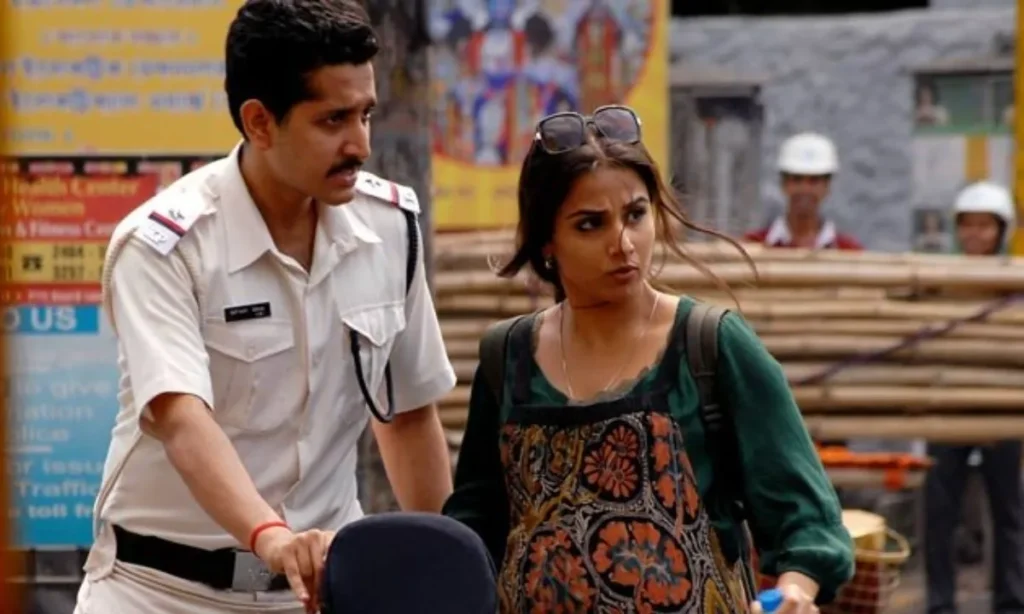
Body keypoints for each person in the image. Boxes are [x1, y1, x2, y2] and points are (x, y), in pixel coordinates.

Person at [74, 1, 456, 612]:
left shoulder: (390, 228)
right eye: (332, 120)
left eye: (365, 114)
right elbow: (181, 419)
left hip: (318, 594)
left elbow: (407, 414)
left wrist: (446, 570)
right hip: (158, 591)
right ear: (259, 122)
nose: (360, 144)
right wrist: (271, 537)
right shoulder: (166, 247)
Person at [443, 105, 855, 612]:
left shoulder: (708, 345)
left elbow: (806, 516)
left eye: (635, 215)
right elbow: (476, 522)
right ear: (547, 240)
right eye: (590, 224)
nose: (623, 244)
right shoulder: (507, 358)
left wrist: (796, 591)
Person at [925, 181, 1024, 614]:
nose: (976, 234)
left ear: (1001, 230)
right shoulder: (940, 281)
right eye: (969, 225)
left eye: (985, 226)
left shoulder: (1016, 280)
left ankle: (1011, 602)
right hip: (947, 408)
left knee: (1008, 510)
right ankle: (940, 604)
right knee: (939, 510)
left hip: (1004, 407)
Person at [745, 132, 861, 250]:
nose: (805, 189)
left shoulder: (848, 250)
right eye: (797, 179)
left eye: (814, 180)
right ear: (783, 184)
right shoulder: (750, 246)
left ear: (827, 187)